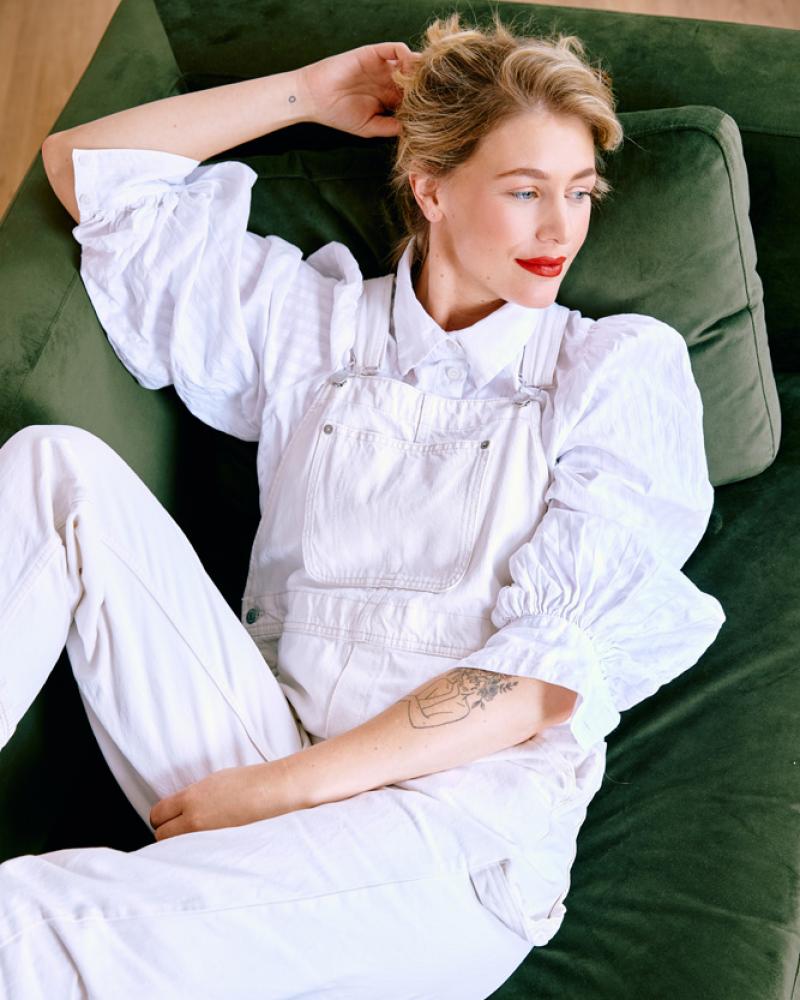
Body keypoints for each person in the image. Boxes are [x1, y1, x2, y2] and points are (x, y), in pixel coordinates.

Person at [1, 11, 726, 998]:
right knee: (56, 471)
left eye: (578, 192)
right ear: (430, 188)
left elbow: (535, 682)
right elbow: (91, 173)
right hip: (260, 743)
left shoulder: (611, 370)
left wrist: (275, 794)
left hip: (449, 831)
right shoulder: (315, 323)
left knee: (27, 927)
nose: (560, 230)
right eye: (524, 191)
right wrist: (306, 93)